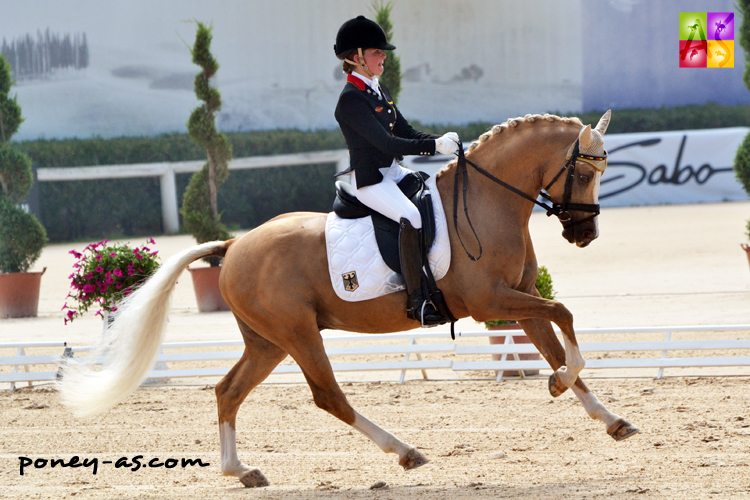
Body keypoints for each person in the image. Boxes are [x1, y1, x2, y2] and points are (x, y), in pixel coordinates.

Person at [333, 15, 459, 325]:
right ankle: (418, 301)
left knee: (435, 196)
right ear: (356, 57)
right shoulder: (350, 100)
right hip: (371, 180)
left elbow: (406, 129)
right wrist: (433, 149)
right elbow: (388, 143)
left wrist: (438, 140)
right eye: (377, 52)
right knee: (411, 216)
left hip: (393, 172)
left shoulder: (378, 90)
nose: (383, 57)